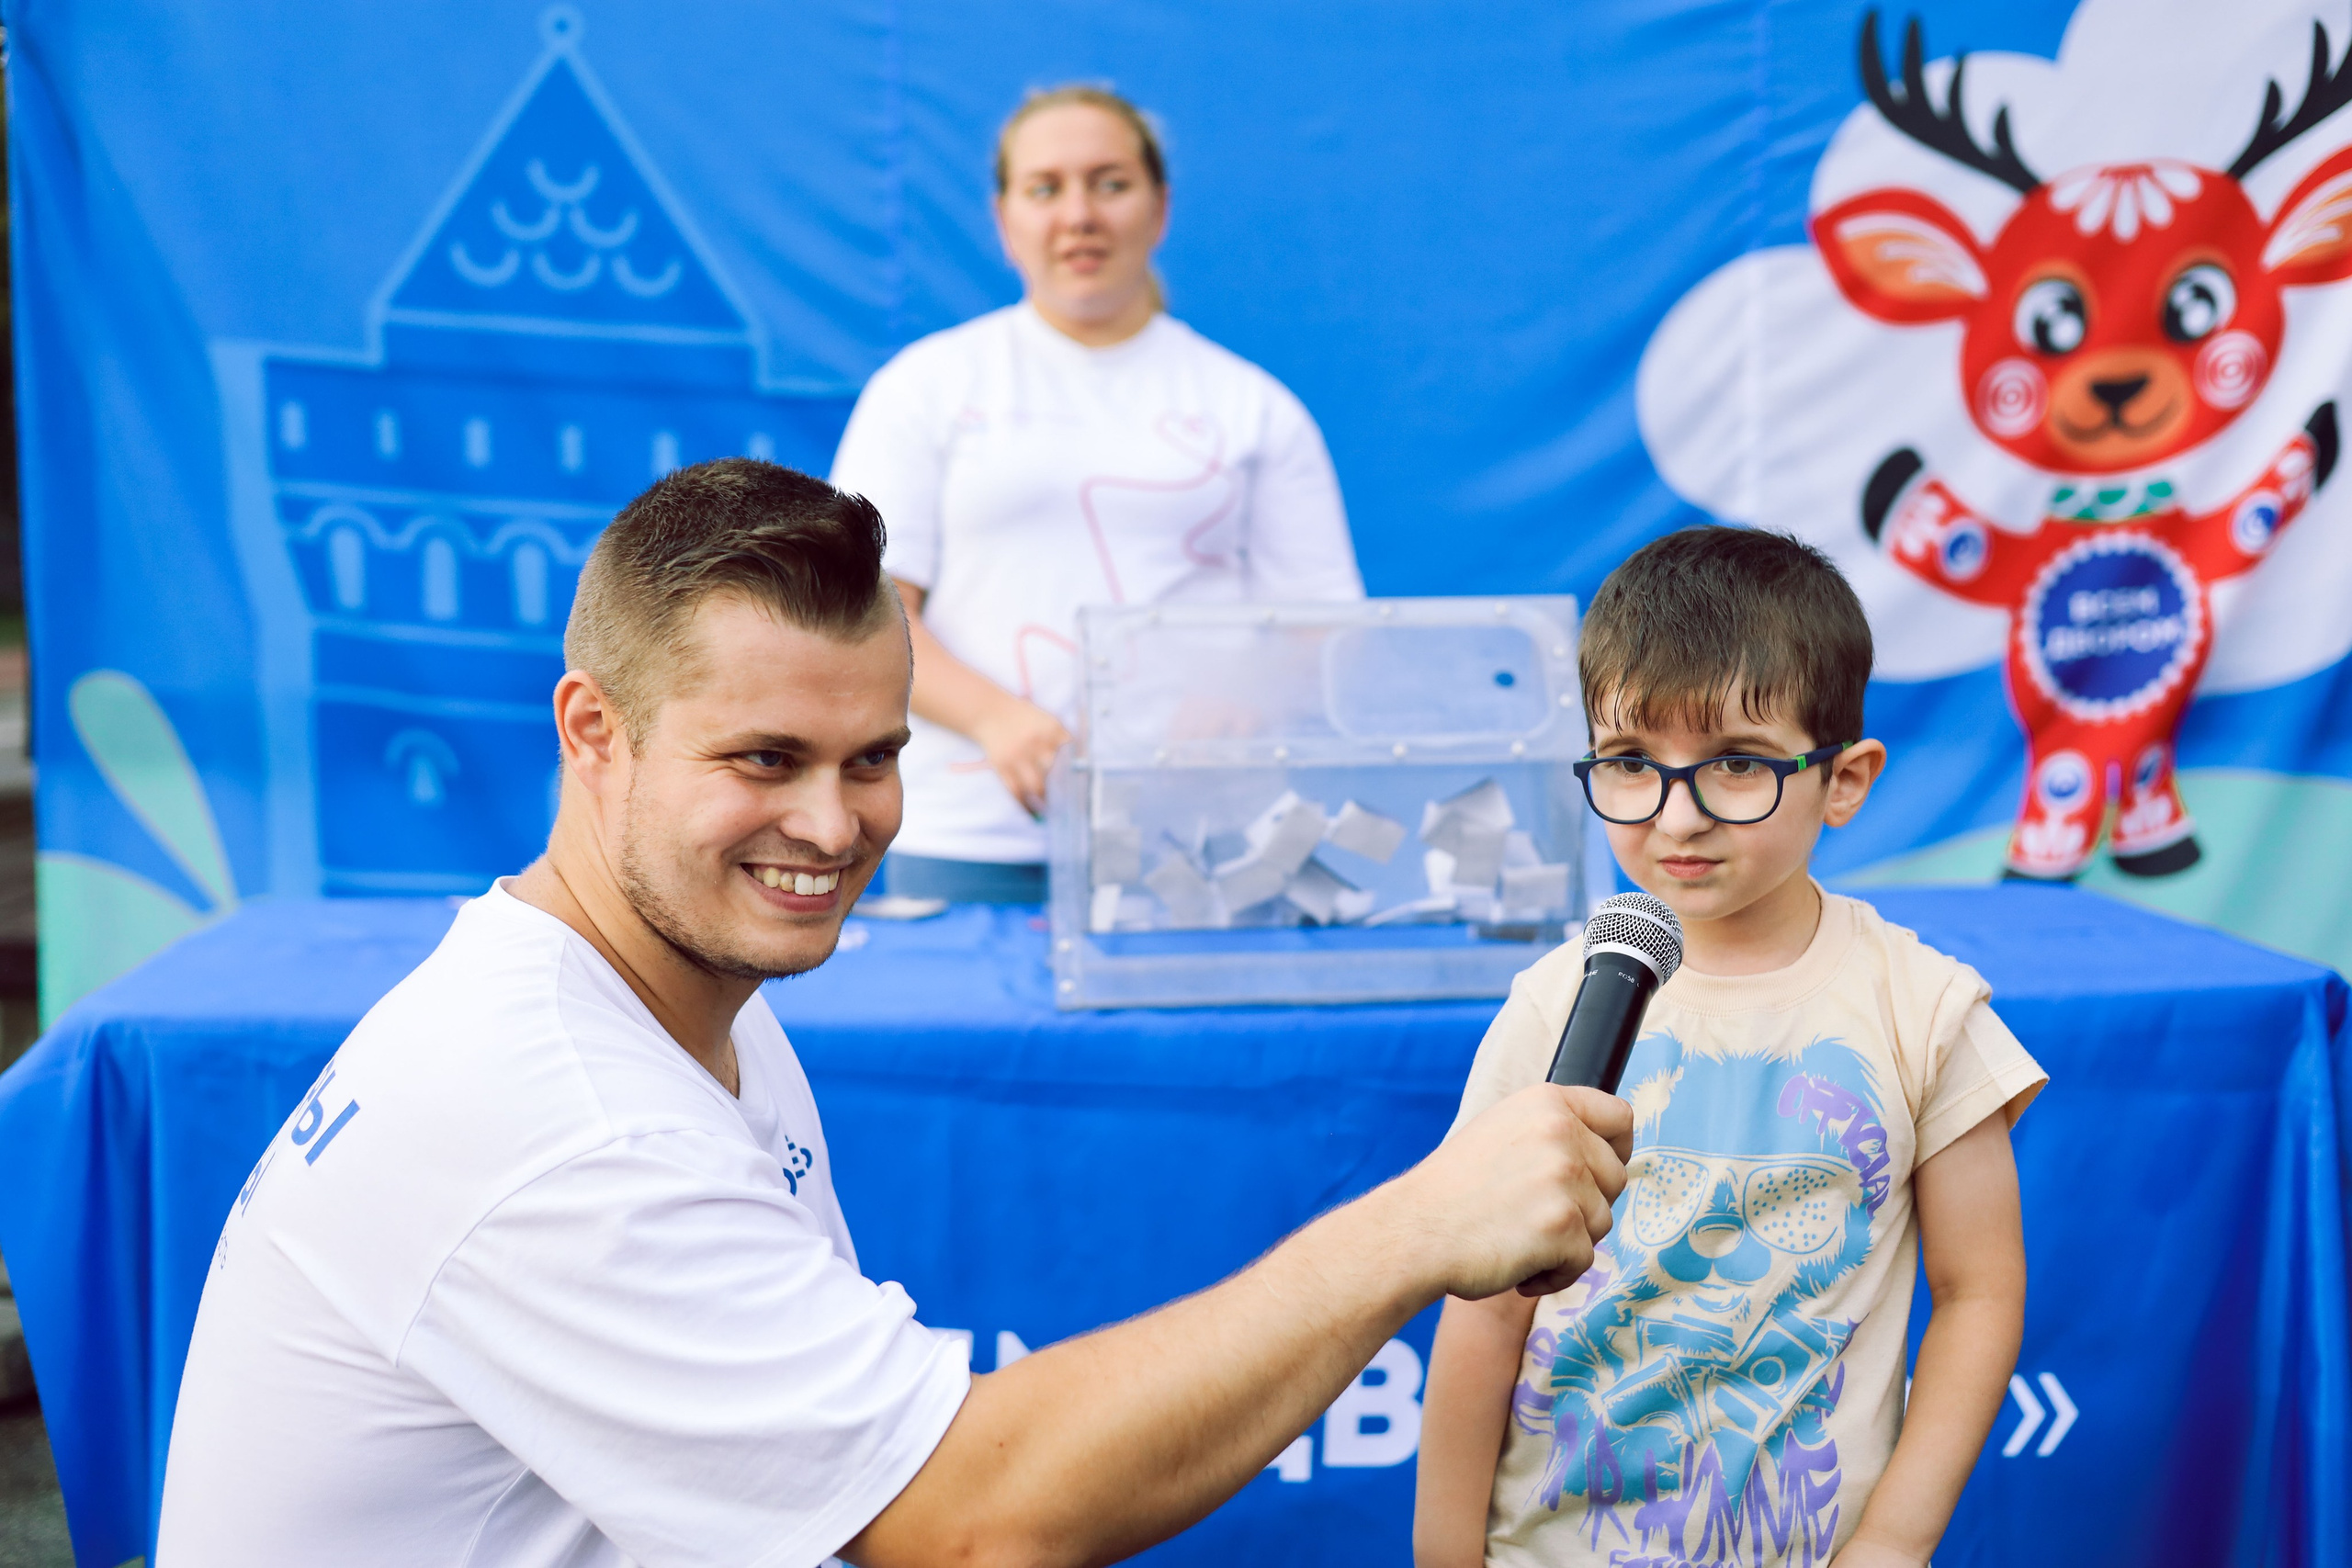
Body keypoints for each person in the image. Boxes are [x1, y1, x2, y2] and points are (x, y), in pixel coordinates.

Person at [157, 459, 1627, 1568]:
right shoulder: (563, 1111)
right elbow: (974, 1518)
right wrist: (1415, 1226)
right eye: (764, 756)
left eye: (872, 756)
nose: (831, 822)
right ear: (593, 730)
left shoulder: (654, 994)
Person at [1413, 527, 2048, 1568]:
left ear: (1844, 780)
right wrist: (1444, 1550)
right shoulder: (1554, 1005)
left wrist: (1893, 1541)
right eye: (1631, 762)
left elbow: (1980, 1294)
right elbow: (1484, 1306)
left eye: (1738, 764)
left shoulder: (1924, 1007)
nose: (1678, 817)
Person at [830, 85, 1363, 904]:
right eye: (1045, 188)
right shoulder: (924, 389)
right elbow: (860, 610)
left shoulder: (1254, 409)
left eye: (1110, 184)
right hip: (969, 839)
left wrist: (1243, 699)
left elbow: (1324, 622)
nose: (1079, 215)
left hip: (1202, 844)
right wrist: (995, 719)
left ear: (1159, 209)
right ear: (1006, 220)